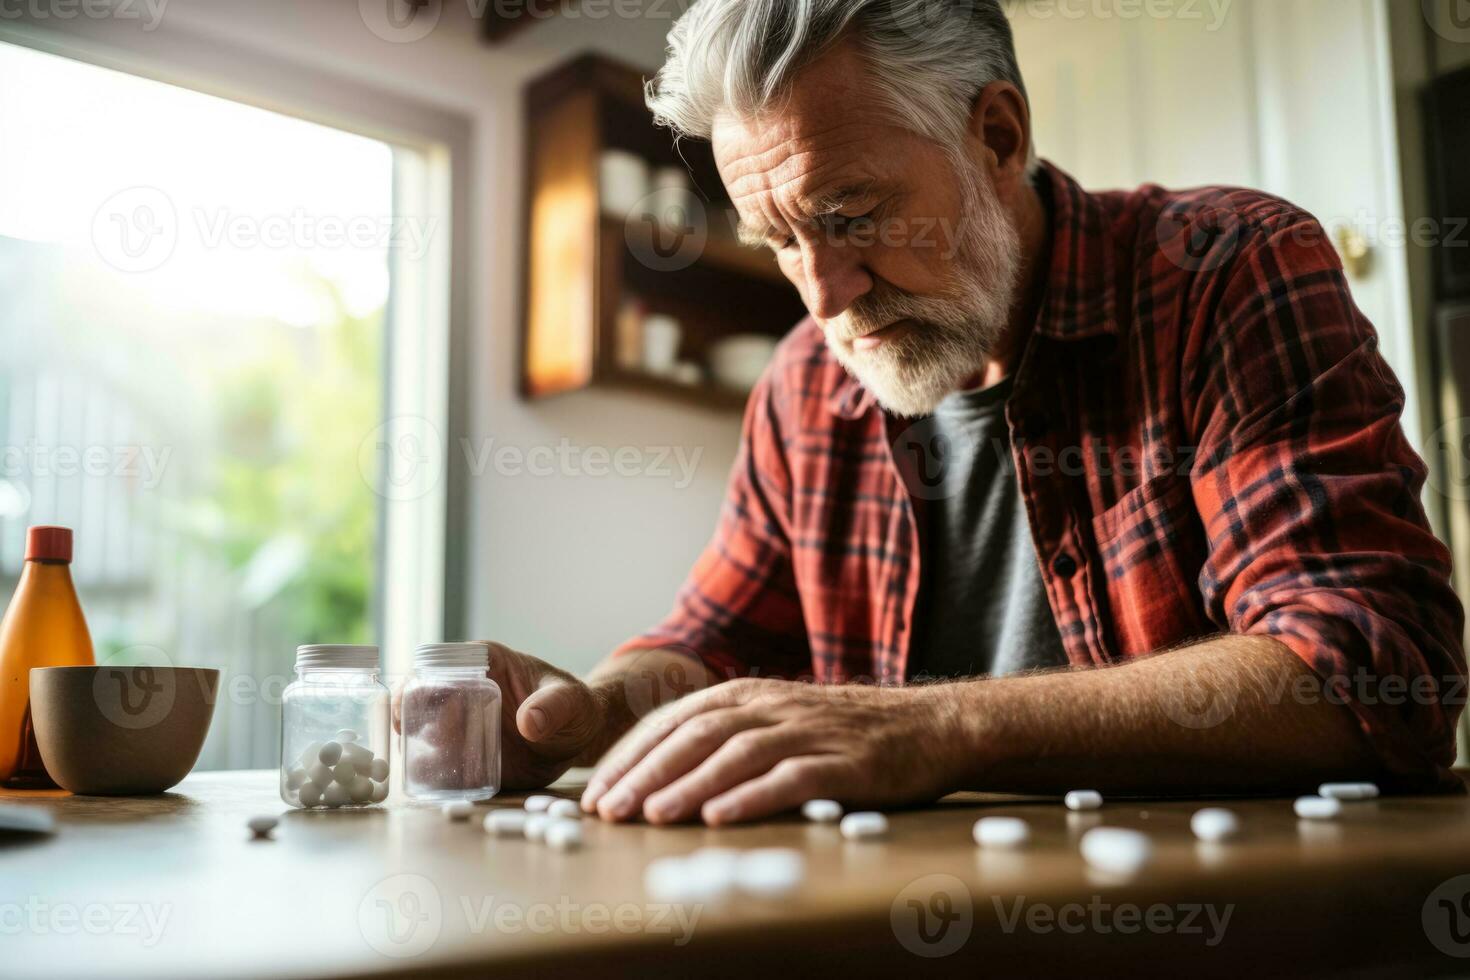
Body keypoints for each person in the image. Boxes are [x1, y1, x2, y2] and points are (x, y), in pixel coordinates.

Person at [480, 0, 1466, 824]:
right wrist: (588, 711)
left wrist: (933, 728)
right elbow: (712, 639)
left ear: (997, 134)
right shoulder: (802, 385)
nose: (822, 293)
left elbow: (1372, 668)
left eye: (853, 213)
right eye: (778, 238)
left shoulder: (1221, 268)